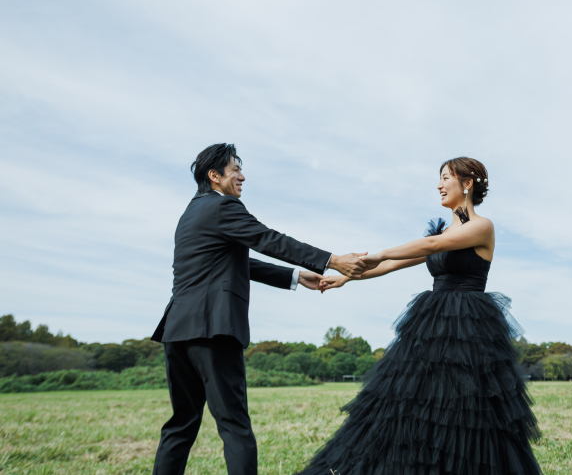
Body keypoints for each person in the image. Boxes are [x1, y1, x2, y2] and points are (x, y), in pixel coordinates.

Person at [298, 157, 543, 475]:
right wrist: (348, 277)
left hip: (470, 327)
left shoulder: (482, 227)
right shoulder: (443, 230)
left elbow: (430, 244)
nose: (439, 185)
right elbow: (392, 265)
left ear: (467, 184)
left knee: (468, 406)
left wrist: (379, 252)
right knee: (413, 402)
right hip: (432, 325)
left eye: (446, 178)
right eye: (439, 179)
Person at [150, 143, 367, 475]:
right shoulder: (224, 208)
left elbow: (234, 263)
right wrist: (332, 260)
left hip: (177, 331)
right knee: (234, 425)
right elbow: (269, 239)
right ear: (215, 176)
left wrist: (294, 276)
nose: (242, 176)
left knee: (181, 424)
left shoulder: (190, 214)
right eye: (236, 169)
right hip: (214, 330)